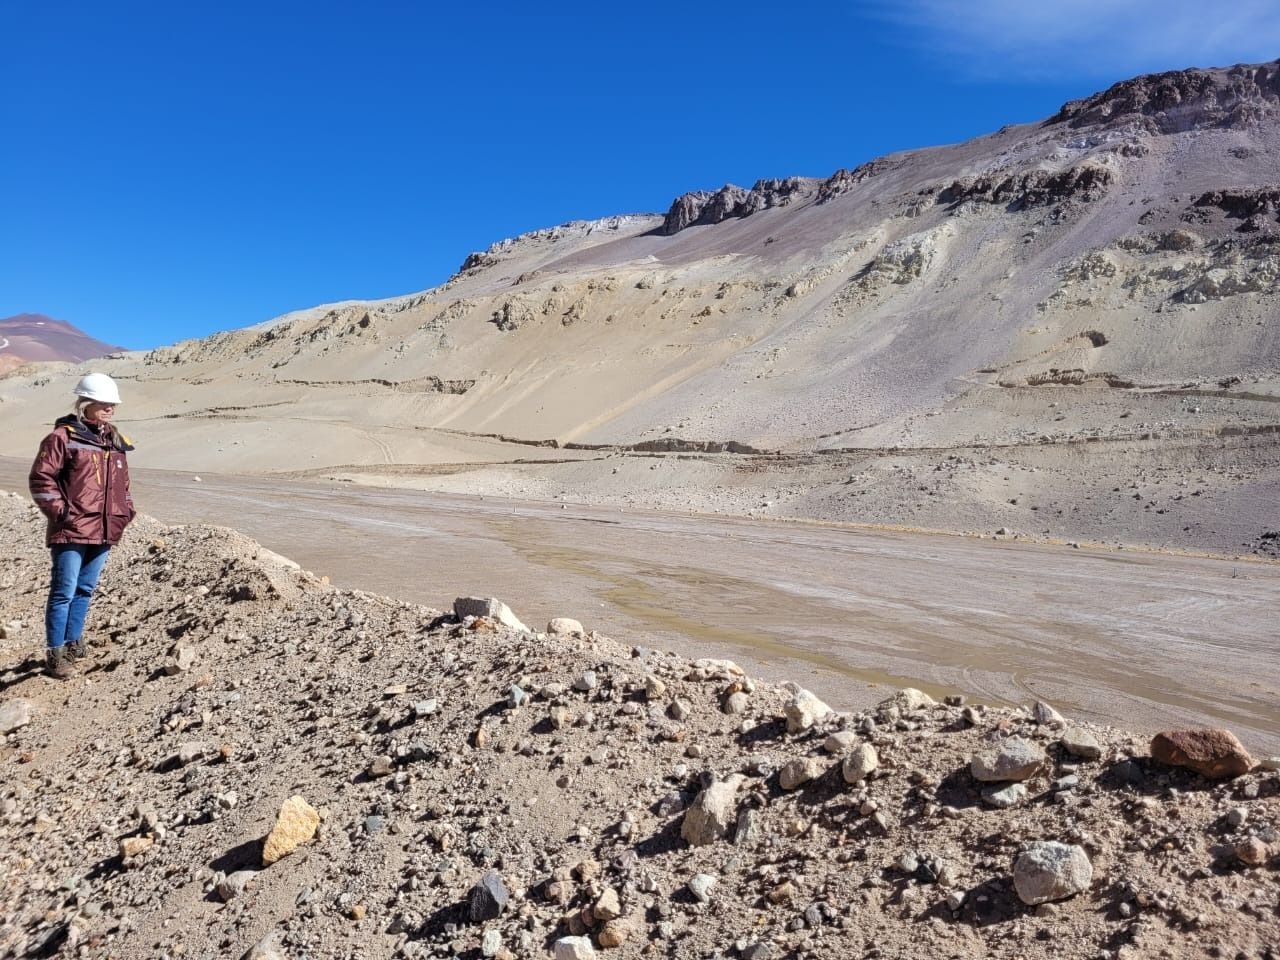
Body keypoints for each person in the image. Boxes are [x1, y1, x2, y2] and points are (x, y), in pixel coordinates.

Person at [28, 373, 137, 679]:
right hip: (71, 528)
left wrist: (125, 511)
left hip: (104, 528)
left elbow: (123, 485)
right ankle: (56, 654)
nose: (109, 408)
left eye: (112, 404)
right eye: (103, 403)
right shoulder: (62, 438)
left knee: (85, 589)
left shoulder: (114, 441)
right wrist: (62, 513)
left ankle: (75, 643)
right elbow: (42, 479)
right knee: (63, 591)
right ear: (85, 403)